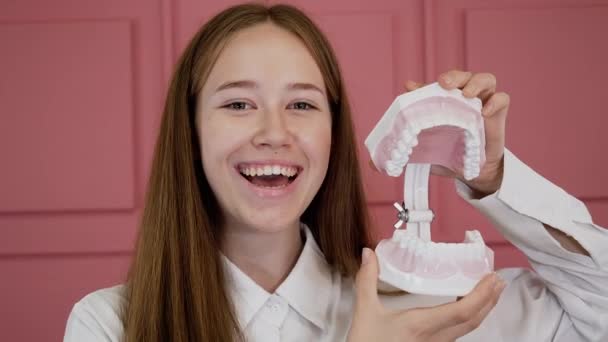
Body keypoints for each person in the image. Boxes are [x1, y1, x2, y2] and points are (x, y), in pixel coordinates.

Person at [63, 3, 608, 341]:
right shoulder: (110, 326)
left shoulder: (434, 311)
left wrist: (493, 177)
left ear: (333, 134)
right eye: (237, 104)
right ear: (191, 132)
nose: (274, 132)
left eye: (302, 105)